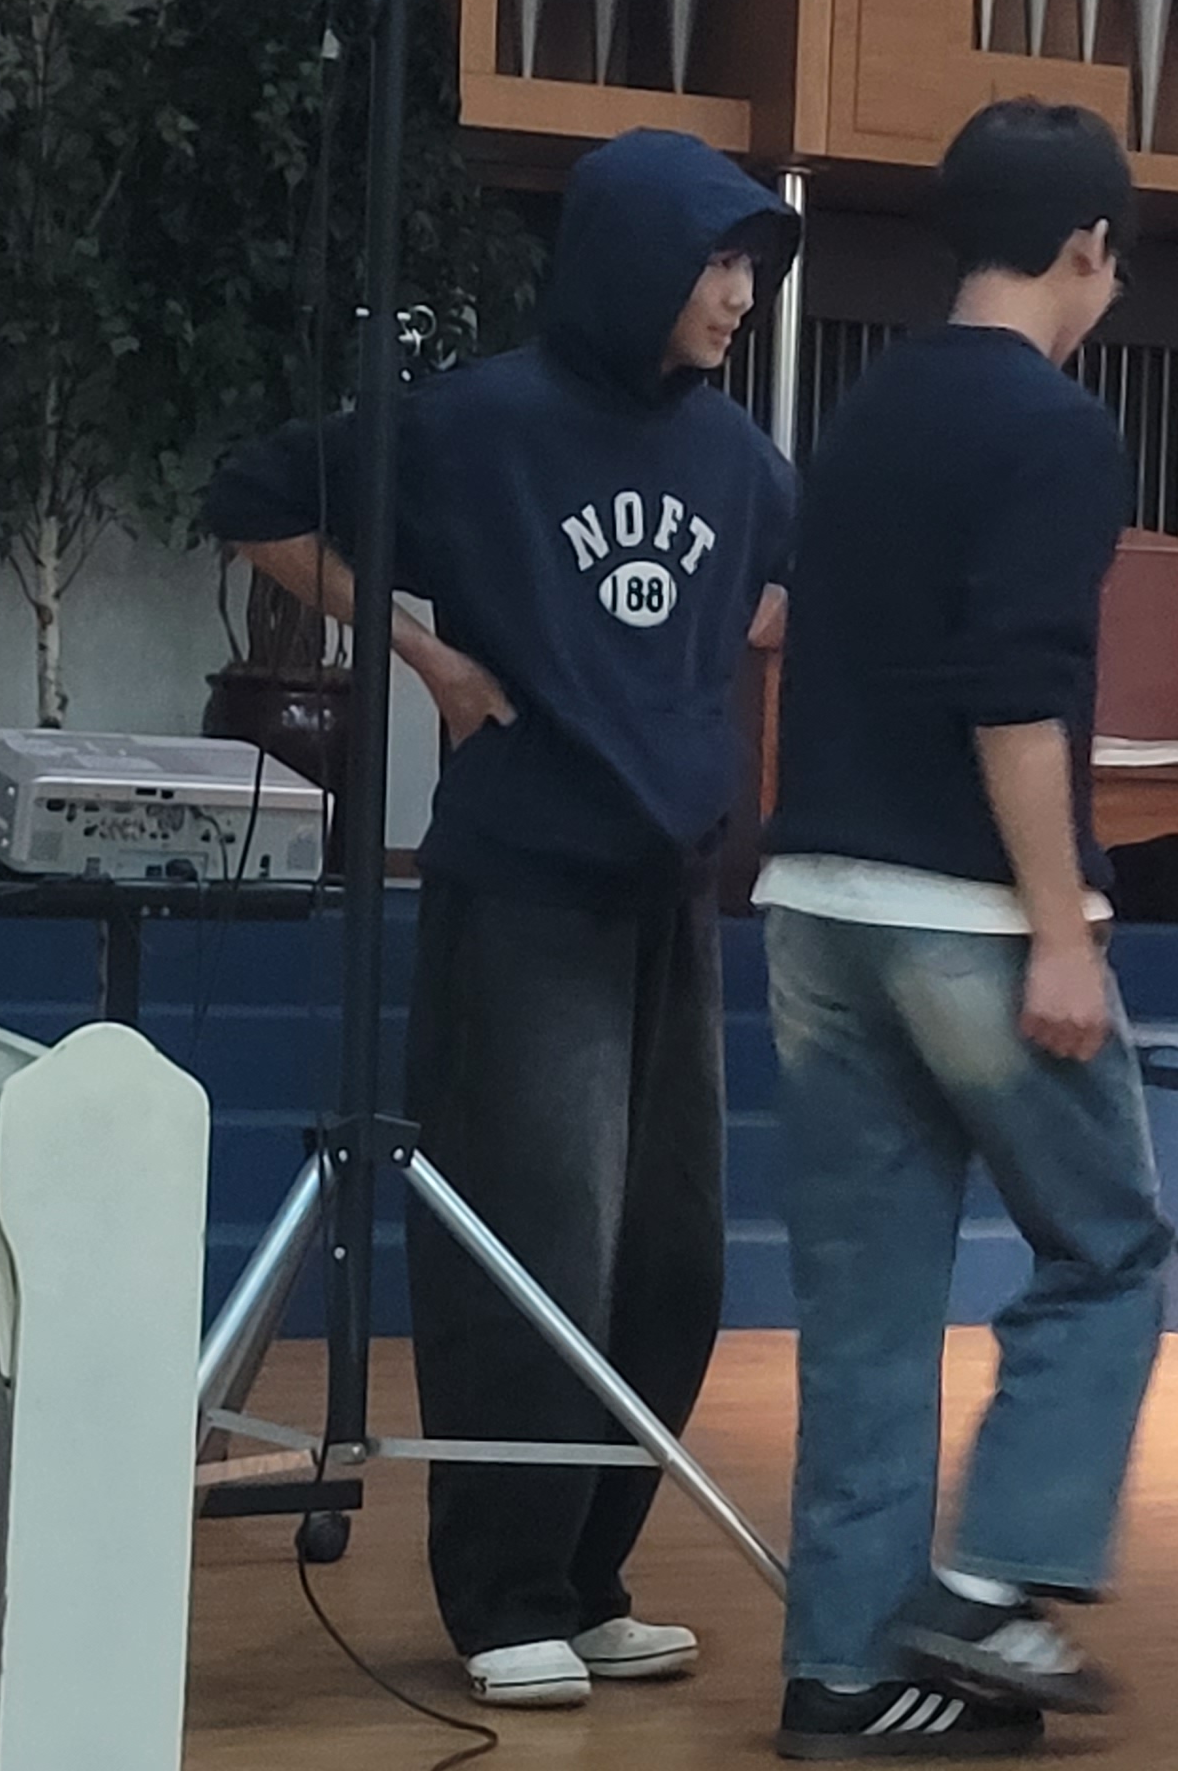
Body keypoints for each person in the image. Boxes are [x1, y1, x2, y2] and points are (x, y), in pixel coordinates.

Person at [203, 127, 798, 1713]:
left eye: (751, 265)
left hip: (672, 898)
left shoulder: (739, 459)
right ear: (634, 260)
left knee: (668, 1266)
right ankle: (502, 1595)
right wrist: (428, 657)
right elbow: (256, 499)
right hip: (523, 887)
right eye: (717, 261)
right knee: (536, 1247)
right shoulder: (480, 423)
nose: (740, 294)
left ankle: (590, 1577)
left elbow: (779, 588)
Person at [755, 99, 1173, 1759]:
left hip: (813, 900)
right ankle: (991, 1578)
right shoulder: (1054, 425)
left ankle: (843, 1675)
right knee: (1110, 1246)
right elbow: (1015, 691)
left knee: (865, 1315)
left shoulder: (862, 408)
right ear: (1087, 245)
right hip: (968, 912)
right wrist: (1060, 926)